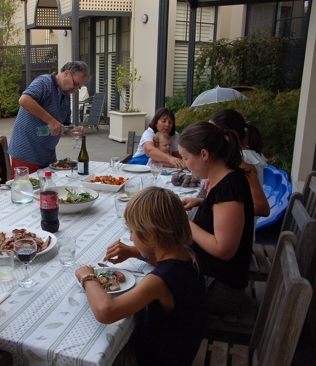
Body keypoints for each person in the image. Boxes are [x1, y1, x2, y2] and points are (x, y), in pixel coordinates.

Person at [78, 187, 206, 366]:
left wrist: (88, 277)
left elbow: (107, 312)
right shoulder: (187, 253)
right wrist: (134, 252)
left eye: (132, 231)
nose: (130, 237)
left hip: (158, 359)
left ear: (151, 235)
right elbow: (162, 260)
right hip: (182, 350)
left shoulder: (159, 281)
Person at [179, 121, 254, 314]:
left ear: (204, 155)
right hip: (209, 275)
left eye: (186, 158)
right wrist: (201, 203)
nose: (186, 166)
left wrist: (183, 222)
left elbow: (224, 249)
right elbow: (222, 215)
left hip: (220, 288)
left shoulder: (229, 187)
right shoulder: (224, 181)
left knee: (153, 291)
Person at [7, 61, 89, 177]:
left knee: (47, 191)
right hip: (26, 153)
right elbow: (24, 100)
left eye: (79, 87)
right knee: (25, 191)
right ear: (66, 73)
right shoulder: (44, 82)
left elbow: (64, 125)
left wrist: (72, 130)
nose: (76, 89)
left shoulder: (65, 95)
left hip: (47, 156)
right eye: (75, 83)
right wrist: (51, 121)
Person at [210, 109, 269, 217]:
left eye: (213, 132)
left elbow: (262, 208)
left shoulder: (243, 160)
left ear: (229, 133)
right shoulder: (240, 155)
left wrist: (216, 207)